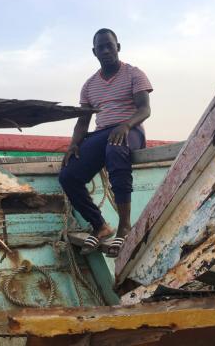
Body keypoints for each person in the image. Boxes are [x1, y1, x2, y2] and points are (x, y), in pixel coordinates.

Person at [58, 28, 152, 257]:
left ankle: (124, 226)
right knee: (68, 175)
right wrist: (73, 145)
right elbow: (83, 122)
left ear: (118, 47)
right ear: (94, 52)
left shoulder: (134, 74)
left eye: (110, 45)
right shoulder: (89, 85)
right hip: (103, 134)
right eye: (101, 47)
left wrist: (126, 124)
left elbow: (145, 109)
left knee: (115, 149)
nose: (106, 50)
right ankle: (100, 226)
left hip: (131, 131)